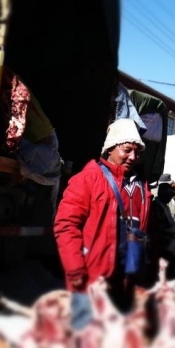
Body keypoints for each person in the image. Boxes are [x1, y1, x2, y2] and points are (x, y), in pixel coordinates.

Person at [54, 118, 151, 326]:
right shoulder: (88, 179)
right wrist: (75, 268)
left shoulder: (141, 186)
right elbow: (66, 224)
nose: (133, 157)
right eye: (127, 150)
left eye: (137, 152)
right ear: (110, 148)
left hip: (126, 278)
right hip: (92, 277)